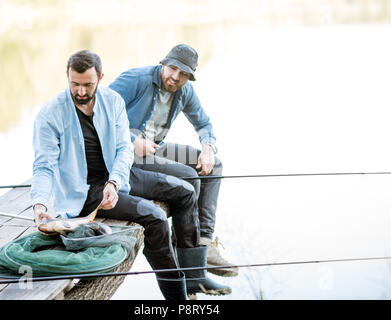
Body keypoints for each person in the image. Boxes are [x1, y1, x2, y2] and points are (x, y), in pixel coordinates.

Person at [30, 49, 230, 299]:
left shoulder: (111, 101)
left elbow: (124, 148)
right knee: (155, 216)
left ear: (100, 78)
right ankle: (176, 296)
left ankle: (194, 275)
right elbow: (43, 165)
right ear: (67, 78)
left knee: (186, 191)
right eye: (75, 84)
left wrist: (114, 182)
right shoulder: (51, 114)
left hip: (119, 175)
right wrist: (39, 204)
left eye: (88, 85)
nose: (81, 92)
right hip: (85, 191)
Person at [109, 44, 238, 277]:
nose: (175, 77)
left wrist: (208, 147)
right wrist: (131, 139)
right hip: (127, 153)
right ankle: (186, 248)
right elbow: (102, 111)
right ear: (163, 63)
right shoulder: (135, 79)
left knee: (214, 164)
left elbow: (204, 124)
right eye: (172, 69)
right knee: (189, 177)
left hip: (154, 149)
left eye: (184, 74)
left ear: (190, 76)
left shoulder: (184, 90)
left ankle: (205, 241)